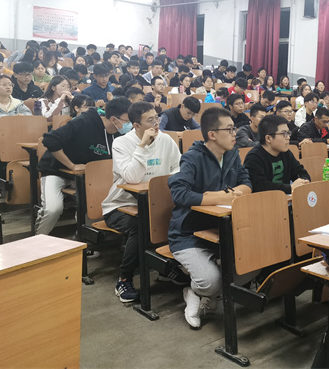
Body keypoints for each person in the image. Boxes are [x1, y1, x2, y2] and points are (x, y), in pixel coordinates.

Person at [168, 108, 252, 329]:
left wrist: (233, 193)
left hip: (221, 229)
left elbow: (246, 183)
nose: (235, 133)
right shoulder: (192, 157)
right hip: (188, 233)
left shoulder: (232, 154)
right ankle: (196, 292)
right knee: (210, 280)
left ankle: (206, 296)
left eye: (234, 128)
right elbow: (179, 194)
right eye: (229, 129)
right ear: (212, 134)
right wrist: (222, 196)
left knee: (252, 264)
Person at [102, 101, 182, 303]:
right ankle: (124, 279)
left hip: (155, 203)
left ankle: (165, 267)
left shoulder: (166, 140)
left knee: (179, 216)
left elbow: (178, 167)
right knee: (141, 225)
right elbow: (132, 178)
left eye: (157, 118)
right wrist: (143, 146)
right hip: (119, 206)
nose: (156, 124)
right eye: (150, 120)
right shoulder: (121, 144)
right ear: (136, 125)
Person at [36, 97, 131, 235]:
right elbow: (50, 140)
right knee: (53, 209)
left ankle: (83, 236)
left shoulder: (122, 134)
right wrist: (71, 165)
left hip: (88, 176)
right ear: (113, 119)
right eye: (127, 121)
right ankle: (38, 239)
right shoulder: (84, 121)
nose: (130, 125)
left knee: (97, 204)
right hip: (56, 170)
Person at [244, 115, 311, 193]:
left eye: (288, 133)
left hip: (285, 198)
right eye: (284, 133)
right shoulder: (254, 157)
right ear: (268, 138)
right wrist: (289, 188)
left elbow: (300, 172)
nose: (288, 137)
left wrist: (304, 181)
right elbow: (259, 186)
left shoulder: (286, 153)